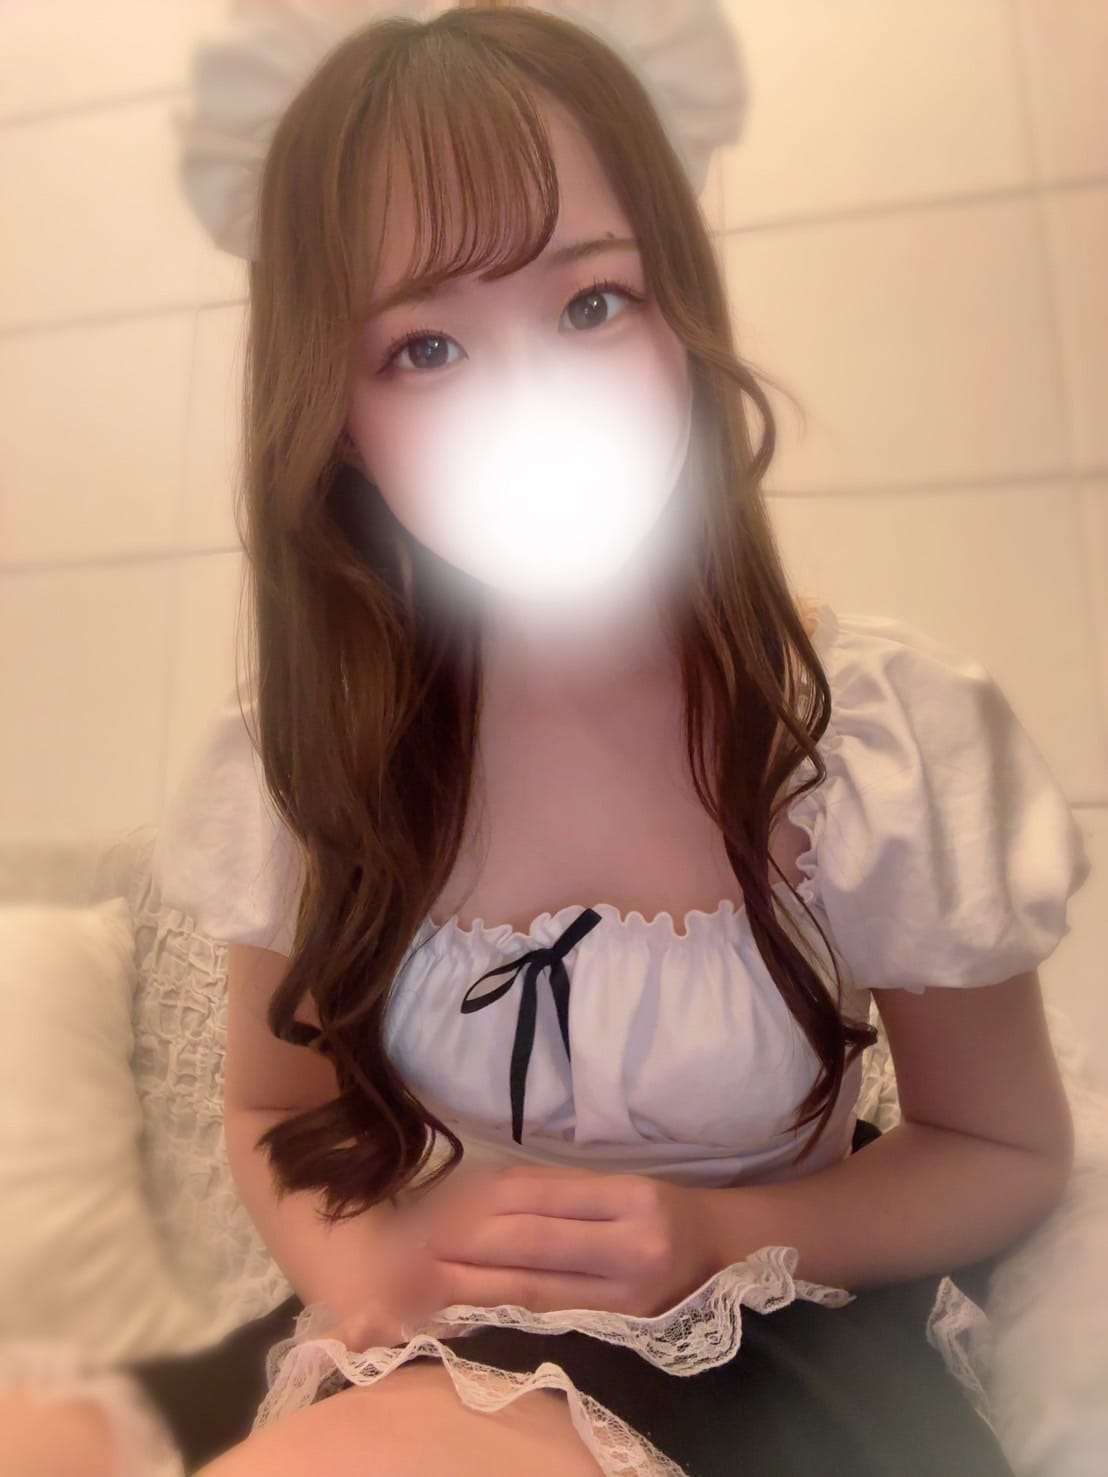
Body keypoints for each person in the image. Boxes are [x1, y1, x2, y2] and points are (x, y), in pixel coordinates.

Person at [1, 4, 1090, 1474]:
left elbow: (1002, 1151)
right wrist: (363, 1266)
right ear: (339, 420)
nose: (531, 398)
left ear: (681, 315)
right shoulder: (309, 760)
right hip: (421, 1326)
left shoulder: (872, 737)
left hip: (757, 1346)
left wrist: (720, 1232)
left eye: (591, 305)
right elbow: (270, 1107)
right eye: (424, 346)